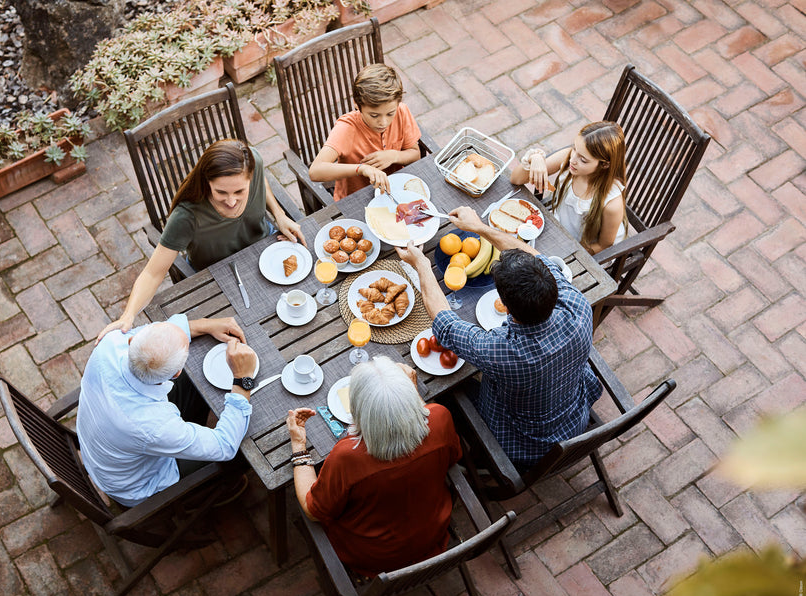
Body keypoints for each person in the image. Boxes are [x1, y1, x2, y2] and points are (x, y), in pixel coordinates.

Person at [396, 207, 602, 473]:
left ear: (504, 304)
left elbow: (443, 322)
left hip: (526, 444)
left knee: (447, 393)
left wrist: (421, 264)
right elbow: (534, 257)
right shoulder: (576, 303)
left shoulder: (504, 351)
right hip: (575, 415)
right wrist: (480, 227)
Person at [97, 139, 306, 342]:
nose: (231, 201)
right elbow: (153, 273)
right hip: (217, 278)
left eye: (240, 191)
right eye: (221, 192)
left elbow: (261, 182)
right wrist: (128, 316)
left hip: (265, 252)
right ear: (207, 183)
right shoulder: (186, 216)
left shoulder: (254, 161)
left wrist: (279, 214)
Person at [286, 356, 461, 576]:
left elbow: (313, 512)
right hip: (431, 536)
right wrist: (412, 399)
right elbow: (452, 455)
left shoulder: (347, 457)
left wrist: (298, 444)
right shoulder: (441, 418)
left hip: (373, 558)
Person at [77, 313, 256, 507]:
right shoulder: (153, 425)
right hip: (139, 485)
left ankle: (192, 431)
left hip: (105, 448)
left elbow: (159, 337)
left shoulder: (109, 343)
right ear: (176, 373)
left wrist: (206, 325)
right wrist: (242, 378)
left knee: (197, 380)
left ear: (132, 340)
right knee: (245, 452)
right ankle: (213, 493)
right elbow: (225, 446)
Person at [511, 121, 629, 254]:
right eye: (574, 148)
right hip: (559, 227)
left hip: (583, 248)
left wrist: (567, 253)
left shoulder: (612, 203)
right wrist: (535, 158)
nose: (573, 159)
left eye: (583, 160)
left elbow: (604, 245)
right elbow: (516, 179)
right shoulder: (568, 158)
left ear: (604, 165)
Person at [309, 63, 421, 201]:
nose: (383, 122)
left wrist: (394, 156)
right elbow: (315, 171)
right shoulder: (347, 128)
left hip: (396, 191)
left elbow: (415, 154)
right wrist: (361, 169)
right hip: (356, 199)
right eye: (374, 115)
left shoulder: (402, 111)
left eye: (390, 113)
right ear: (357, 104)